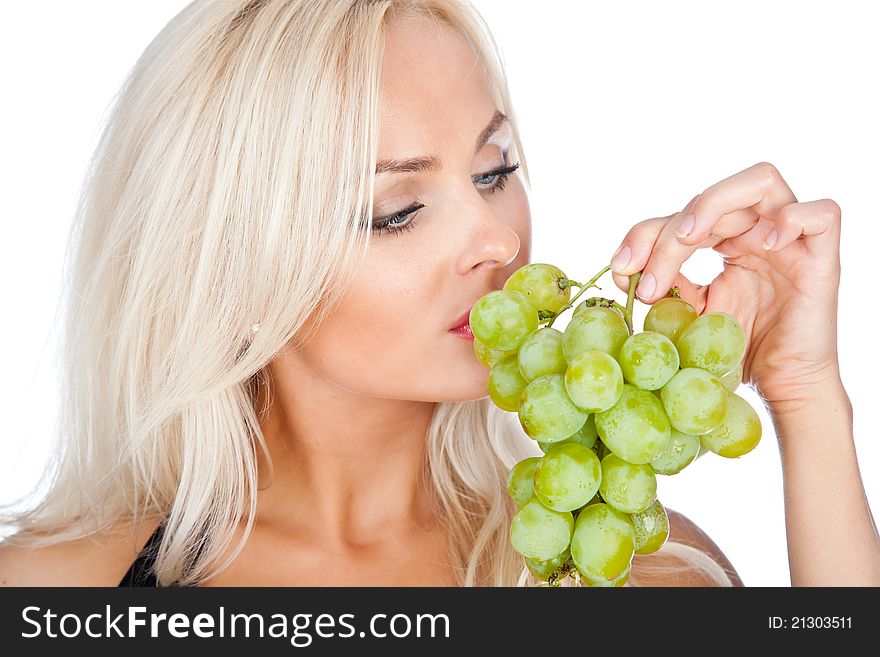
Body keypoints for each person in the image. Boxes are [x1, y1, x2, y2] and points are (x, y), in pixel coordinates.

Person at [0, 0, 877, 588]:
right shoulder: (55, 587)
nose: (498, 240)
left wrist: (809, 400)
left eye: (496, 171)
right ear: (234, 266)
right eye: (398, 211)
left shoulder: (635, 566)